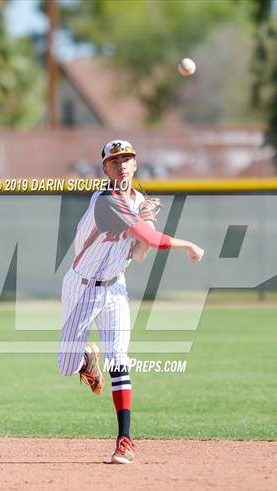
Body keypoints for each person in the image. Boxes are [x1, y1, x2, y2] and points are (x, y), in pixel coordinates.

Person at [58, 140, 204, 464]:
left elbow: (139, 254)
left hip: (114, 288)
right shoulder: (106, 200)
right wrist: (187, 244)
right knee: (66, 367)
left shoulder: (138, 201)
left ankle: (125, 439)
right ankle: (86, 362)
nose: (121, 165)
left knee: (119, 358)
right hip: (81, 287)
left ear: (135, 164)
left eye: (127, 159)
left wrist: (147, 218)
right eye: (114, 161)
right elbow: (150, 238)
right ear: (105, 169)